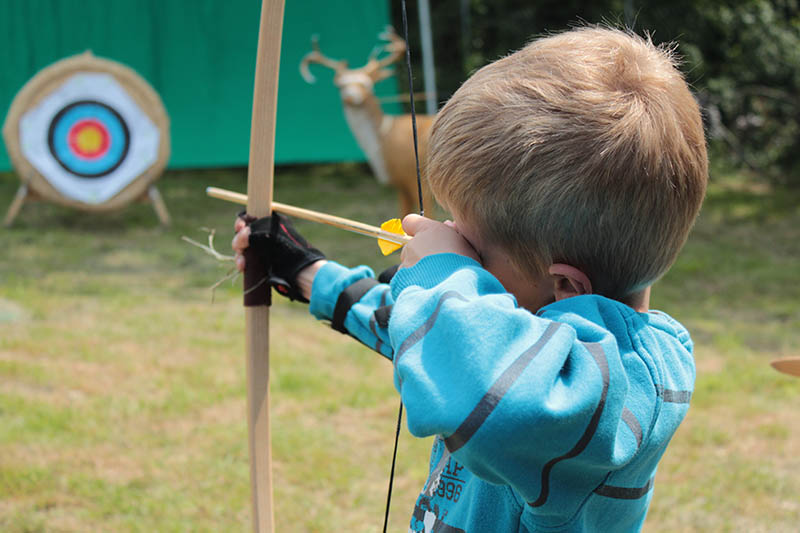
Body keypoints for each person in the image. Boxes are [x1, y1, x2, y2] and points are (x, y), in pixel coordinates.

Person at [233, 26, 707, 533]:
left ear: (565, 287)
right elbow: (435, 338)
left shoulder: (632, 382)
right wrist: (306, 271)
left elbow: (481, 372)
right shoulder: (524, 337)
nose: (451, 238)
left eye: (471, 246)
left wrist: (443, 273)